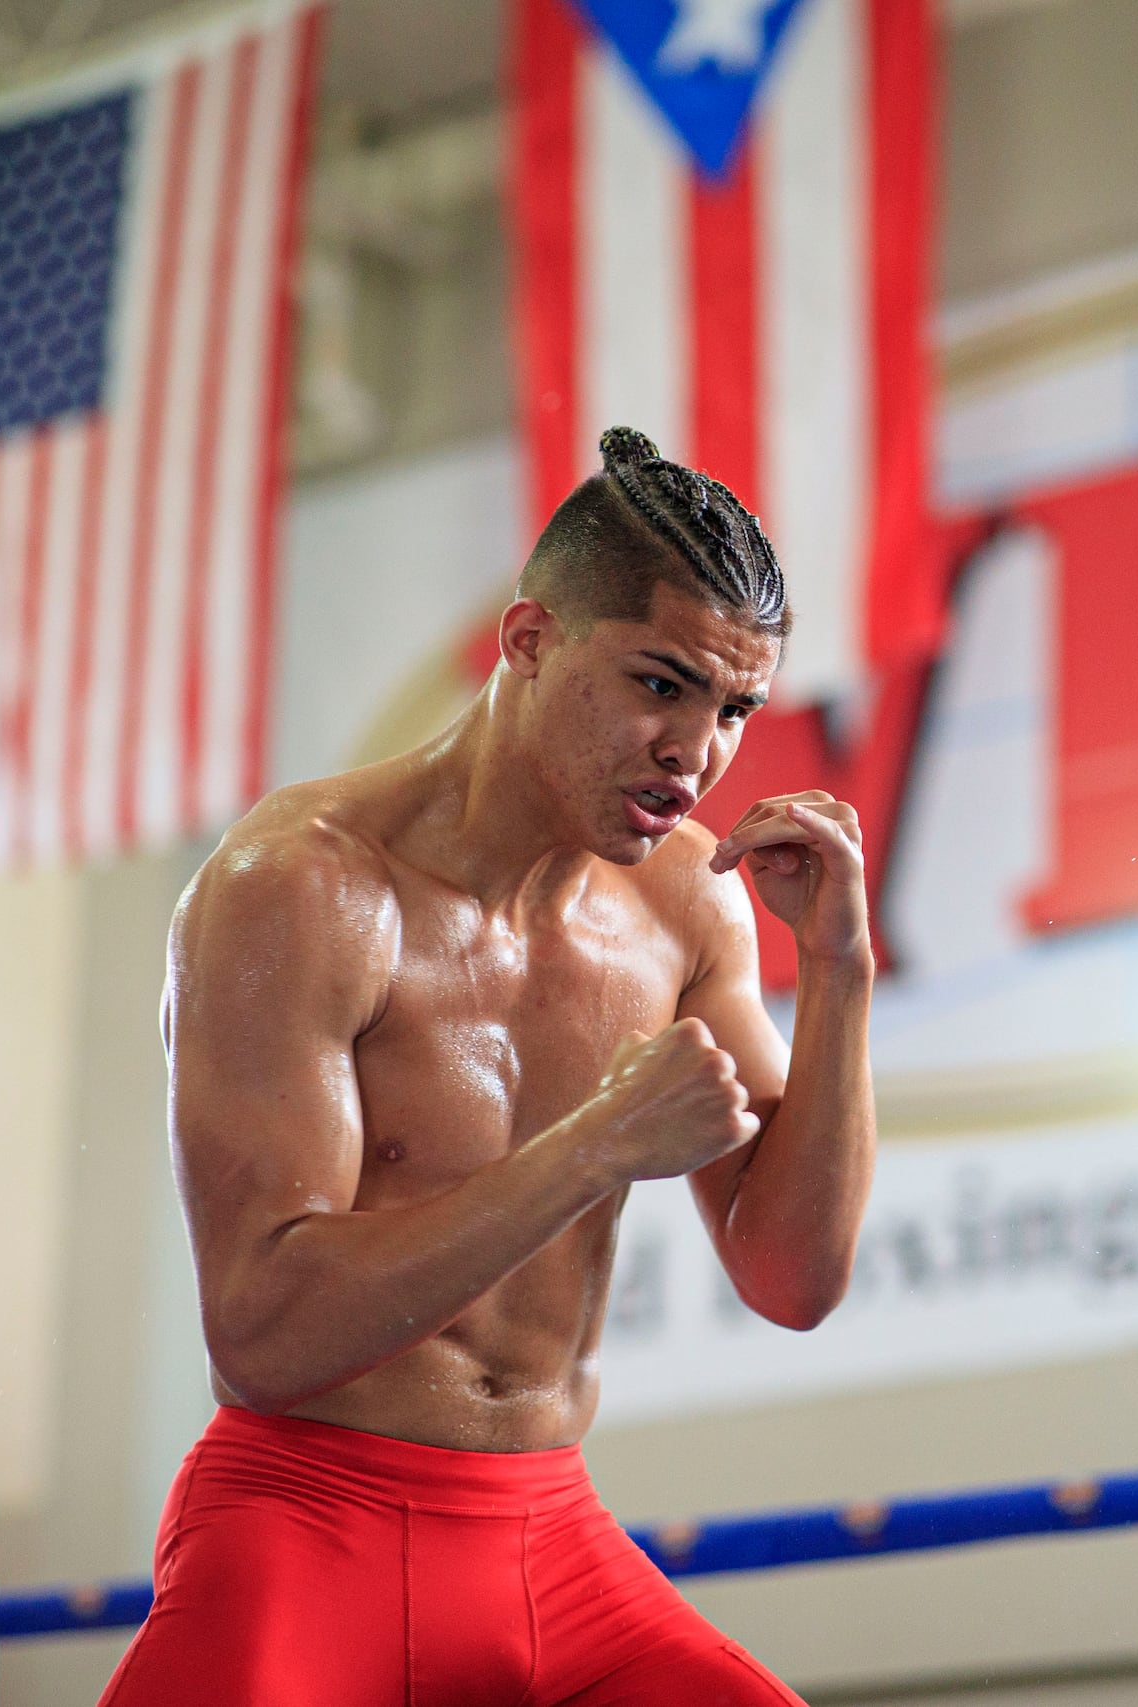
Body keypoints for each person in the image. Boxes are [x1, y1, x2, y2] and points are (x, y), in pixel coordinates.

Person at [98, 428, 873, 1706]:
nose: (698, 750)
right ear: (527, 642)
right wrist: (598, 1147)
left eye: (733, 707)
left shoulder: (689, 904)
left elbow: (792, 1279)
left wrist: (841, 972)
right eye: (660, 684)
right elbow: (264, 1335)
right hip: (306, 1523)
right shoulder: (301, 885)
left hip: (547, 1537)